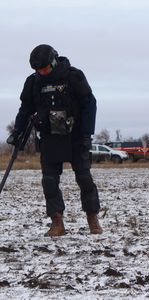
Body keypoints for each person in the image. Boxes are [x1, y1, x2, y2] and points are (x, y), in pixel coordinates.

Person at [7, 44, 103, 236]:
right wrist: (17, 132)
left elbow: (89, 104)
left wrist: (86, 133)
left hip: (76, 137)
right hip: (50, 137)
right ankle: (57, 222)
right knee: (49, 181)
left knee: (84, 178)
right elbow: (26, 109)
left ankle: (93, 219)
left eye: (44, 68)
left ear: (53, 62)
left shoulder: (73, 76)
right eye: (37, 70)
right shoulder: (33, 82)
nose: (41, 72)